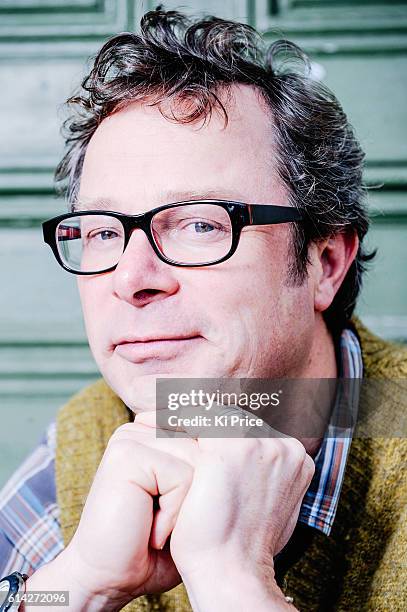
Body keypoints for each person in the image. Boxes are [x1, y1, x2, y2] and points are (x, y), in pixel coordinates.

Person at [0, 7, 406, 611]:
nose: (131, 280)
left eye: (198, 223)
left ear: (324, 262)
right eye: (104, 233)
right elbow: (37, 597)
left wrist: (235, 581)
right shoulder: (79, 442)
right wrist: (80, 583)